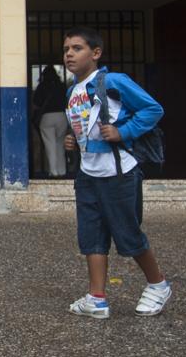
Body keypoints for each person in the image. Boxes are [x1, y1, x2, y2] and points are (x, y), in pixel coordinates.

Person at [62, 26, 171, 319]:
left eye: (77, 48)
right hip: (88, 175)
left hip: (119, 172)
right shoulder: (72, 90)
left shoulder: (113, 81)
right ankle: (96, 298)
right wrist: (72, 140)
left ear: (95, 53)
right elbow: (85, 126)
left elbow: (153, 109)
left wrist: (124, 131)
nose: (69, 54)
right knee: (91, 235)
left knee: (127, 233)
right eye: (66, 49)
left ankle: (158, 284)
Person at [33, 65, 69, 178]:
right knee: (60, 144)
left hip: (47, 117)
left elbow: (36, 103)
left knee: (50, 144)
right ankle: (62, 171)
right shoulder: (62, 86)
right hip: (62, 116)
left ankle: (53, 172)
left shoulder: (42, 86)